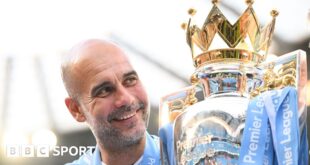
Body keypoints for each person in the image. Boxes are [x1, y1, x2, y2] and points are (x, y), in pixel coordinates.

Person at [61, 39, 160, 165]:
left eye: (130, 80)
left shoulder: (185, 156)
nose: (127, 99)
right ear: (76, 110)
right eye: (104, 90)